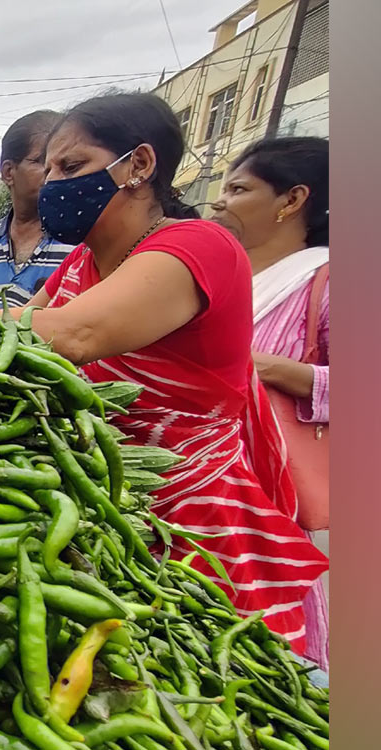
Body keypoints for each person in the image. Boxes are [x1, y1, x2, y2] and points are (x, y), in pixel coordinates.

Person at [17, 93, 327, 652]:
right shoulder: (83, 261)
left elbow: (68, 336)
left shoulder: (198, 246)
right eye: (49, 170)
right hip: (107, 499)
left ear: (139, 165)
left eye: (73, 167)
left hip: (192, 515)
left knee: (214, 685)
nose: (53, 185)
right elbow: (21, 320)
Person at [212, 136, 330, 670]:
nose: (221, 202)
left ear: (292, 200)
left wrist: (271, 368)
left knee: (267, 650)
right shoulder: (217, 274)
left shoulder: (325, 280)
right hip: (192, 481)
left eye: (239, 189)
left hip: (265, 494)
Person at [0, 111, 76, 308]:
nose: (52, 173)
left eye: (65, 163)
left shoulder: (80, 240)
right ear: (9, 172)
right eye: (41, 161)